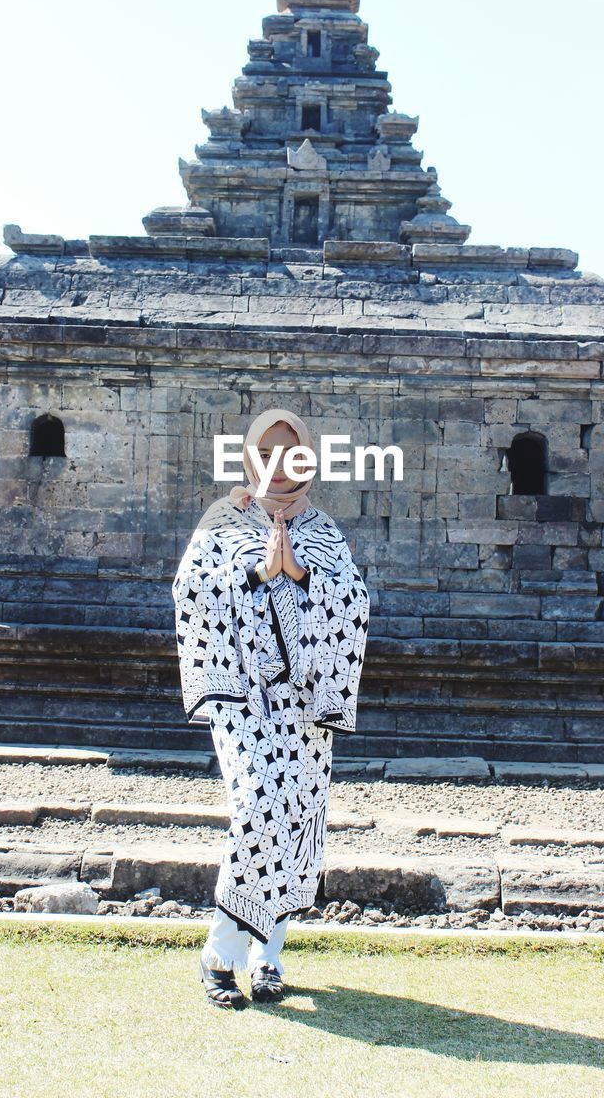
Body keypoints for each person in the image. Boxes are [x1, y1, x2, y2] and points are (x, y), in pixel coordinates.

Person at [172, 407, 370, 1010]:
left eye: (291, 454)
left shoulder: (322, 529)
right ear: (249, 458)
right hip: (243, 695)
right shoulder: (223, 520)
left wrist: (303, 571)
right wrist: (259, 571)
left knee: (297, 820)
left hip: (306, 703)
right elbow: (191, 588)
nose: (278, 466)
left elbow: (353, 600)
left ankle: (267, 957)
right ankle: (218, 954)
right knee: (258, 806)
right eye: (266, 453)